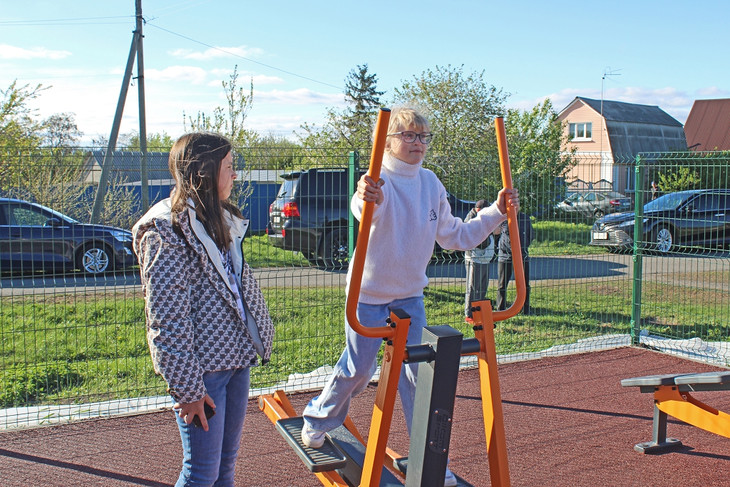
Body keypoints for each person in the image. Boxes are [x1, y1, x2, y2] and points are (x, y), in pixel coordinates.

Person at [300, 107, 519, 487]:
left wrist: (498, 213)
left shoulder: (431, 183)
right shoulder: (378, 179)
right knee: (359, 368)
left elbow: (456, 236)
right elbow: (364, 207)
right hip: (368, 295)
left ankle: (429, 461)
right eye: (409, 135)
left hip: (409, 296)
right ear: (388, 141)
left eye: (423, 137)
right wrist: (365, 196)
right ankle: (317, 419)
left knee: (419, 378)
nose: (418, 143)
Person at [132, 132, 274, 487]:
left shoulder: (220, 220)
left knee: (225, 468)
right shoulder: (165, 231)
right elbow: (165, 319)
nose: (235, 175)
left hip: (236, 362)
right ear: (205, 172)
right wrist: (188, 389)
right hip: (204, 376)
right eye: (229, 167)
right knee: (201, 473)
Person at [464, 199, 497, 323]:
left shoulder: (486, 217)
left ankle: (479, 311)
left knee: (482, 286)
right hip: (474, 258)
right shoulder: (471, 219)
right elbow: (469, 234)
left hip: (485, 258)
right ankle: (469, 314)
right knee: (472, 287)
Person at [496, 212, 533, 315]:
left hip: (522, 256)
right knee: (502, 284)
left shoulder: (525, 218)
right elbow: (496, 233)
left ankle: (525, 309)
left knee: (525, 284)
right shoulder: (502, 218)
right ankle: (500, 309)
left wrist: (523, 248)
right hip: (505, 256)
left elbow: (530, 235)